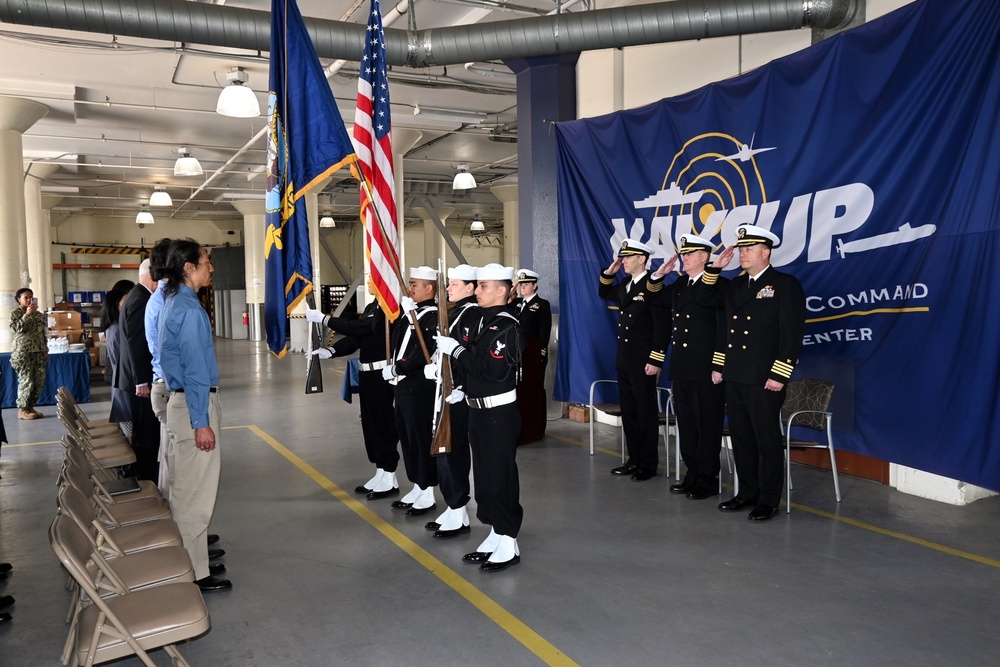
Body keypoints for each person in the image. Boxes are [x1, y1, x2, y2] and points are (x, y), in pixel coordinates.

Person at [704, 224, 806, 522]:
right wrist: (714, 269)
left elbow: (791, 334)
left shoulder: (785, 285)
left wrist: (780, 374)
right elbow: (707, 303)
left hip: (764, 377)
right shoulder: (735, 285)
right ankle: (747, 492)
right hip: (736, 373)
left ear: (766, 252)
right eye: (741, 249)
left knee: (766, 439)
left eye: (748, 249)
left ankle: (769, 499)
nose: (742, 254)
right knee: (742, 437)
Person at [435, 263, 524, 572]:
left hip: (498, 413)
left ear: (501, 290)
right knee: (485, 478)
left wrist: (457, 352)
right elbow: (475, 368)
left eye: (484, 286)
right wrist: (461, 386)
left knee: (501, 477)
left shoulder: (505, 325)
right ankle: (495, 531)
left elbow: (492, 370)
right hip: (478, 409)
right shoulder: (484, 321)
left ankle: (509, 539)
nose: (479, 290)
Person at [158, 239, 231, 591]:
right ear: (188, 267)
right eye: (206, 261)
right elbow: (196, 370)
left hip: (183, 402)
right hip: (192, 406)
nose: (211, 268)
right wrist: (201, 422)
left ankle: (195, 564)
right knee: (193, 497)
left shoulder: (175, 302)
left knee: (187, 490)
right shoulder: (188, 310)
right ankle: (189, 574)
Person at [649, 235, 728, 499]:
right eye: (684, 253)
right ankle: (692, 474)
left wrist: (719, 365)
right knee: (688, 425)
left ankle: (707, 479)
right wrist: (659, 276)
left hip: (707, 369)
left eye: (691, 254)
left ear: (705, 257)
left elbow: (722, 330)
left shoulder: (718, 286)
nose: (685, 257)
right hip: (682, 367)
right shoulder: (681, 284)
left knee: (708, 425)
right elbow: (655, 300)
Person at [306, 285, 401, 499]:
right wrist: (332, 351)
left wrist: (325, 320)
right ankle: (380, 471)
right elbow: (356, 339)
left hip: (381, 376)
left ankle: (390, 475)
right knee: (369, 423)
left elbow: (363, 328)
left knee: (382, 423)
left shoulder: (389, 309)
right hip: (366, 375)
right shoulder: (372, 306)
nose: (369, 283)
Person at [598, 239, 670, 481]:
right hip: (625, 359)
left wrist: (657, 358)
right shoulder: (626, 284)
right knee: (629, 411)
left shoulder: (655, 287)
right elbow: (604, 292)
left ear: (642, 259)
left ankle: (648, 464)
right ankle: (634, 459)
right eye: (623, 257)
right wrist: (609, 273)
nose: (624, 260)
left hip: (644, 360)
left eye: (628, 257)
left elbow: (662, 327)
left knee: (645, 412)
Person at [422, 264, 481, 538]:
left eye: (454, 284)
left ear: (470, 288)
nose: (448, 289)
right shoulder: (456, 312)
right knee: (443, 449)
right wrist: (435, 366)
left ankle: (459, 509)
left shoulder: (472, 315)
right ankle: (452, 505)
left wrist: (464, 388)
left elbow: (472, 356)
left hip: (457, 393)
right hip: (444, 389)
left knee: (453, 449)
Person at [382, 267, 440, 516]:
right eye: (410, 283)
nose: (410, 288)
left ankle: (427, 491)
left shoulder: (432, 316)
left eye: (415, 284)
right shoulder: (412, 313)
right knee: (406, 436)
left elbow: (422, 350)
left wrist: (398, 368)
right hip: (403, 386)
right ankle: (417, 484)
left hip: (419, 386)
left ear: (429, 288)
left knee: (419, 437)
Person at [118, 259, 162, 481]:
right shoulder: (142, 299)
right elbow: (136, 341)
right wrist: (142, 381)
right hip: (139, 380)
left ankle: (144, 472)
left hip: (136, 376)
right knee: (146, 431)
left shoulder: (137, 295)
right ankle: (145, 479)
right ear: (151, 274)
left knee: (146, 429)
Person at [512, 269, 551, 444]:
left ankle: (536, 429)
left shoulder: (542, 305)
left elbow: (544, 334)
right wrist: (512, 291)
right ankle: (522, 429)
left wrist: (541, 355)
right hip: (518, 356)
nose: (523, 287)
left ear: (535, 285)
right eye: (521, 284)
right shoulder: (518, 304)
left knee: (533, 392)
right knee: (521, 394)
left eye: (526, 284)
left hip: (533, 356)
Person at [9, 288, 47, 420]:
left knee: (38, 381)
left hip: (38, 352)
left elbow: (42, 334)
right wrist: (27, 315)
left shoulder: (38, 314)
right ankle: (22, 409)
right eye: (26, 298)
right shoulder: (16, 313)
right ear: (19, 299)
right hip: (23, 353)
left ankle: (30, 406)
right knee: (27, 380)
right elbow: (16, 328)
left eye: (31, 297)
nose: (30, 300)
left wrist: (45, 351)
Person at [101, 287, 132, 435]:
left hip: (121, 384)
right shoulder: (117, 329)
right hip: (124, 387)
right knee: (130, 436)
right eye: (125, 302)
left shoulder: (115, 327)